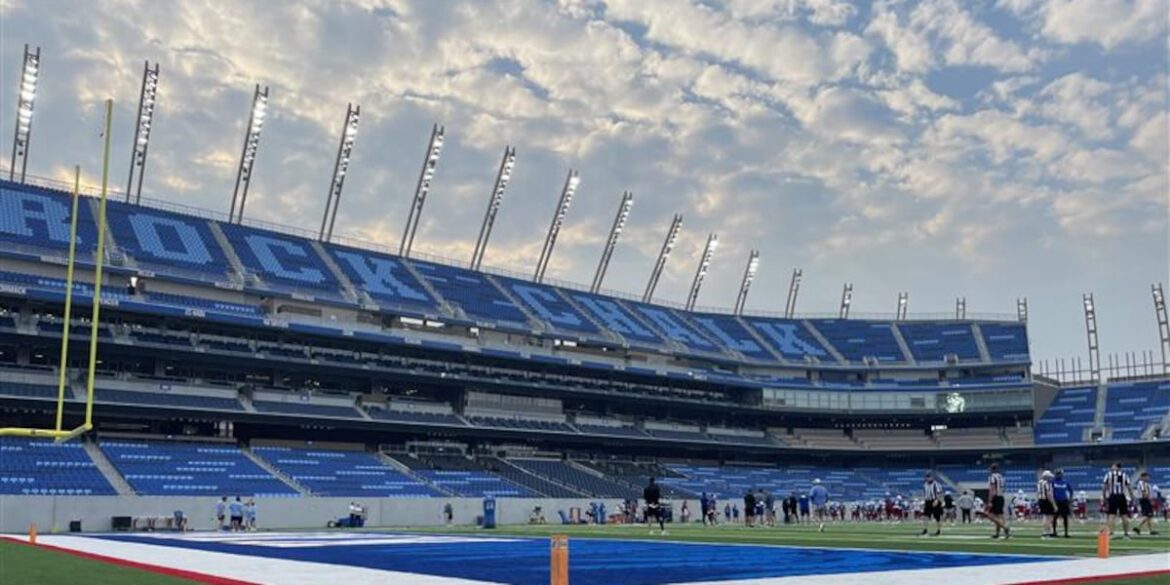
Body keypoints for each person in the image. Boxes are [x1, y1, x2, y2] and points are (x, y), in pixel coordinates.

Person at [1102, 462, 1134, 539]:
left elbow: (1105, 487)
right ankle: (1126, 534)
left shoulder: (1108, 475)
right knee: (1124, 515)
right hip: (1122, 496)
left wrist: (1104, 496)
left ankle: (1111, 533)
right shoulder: (1125, 475)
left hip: (1113, 496)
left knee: (1112, 515)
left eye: (1113, 466)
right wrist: (1132, 496)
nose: (1112, 467)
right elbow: (1129, 487)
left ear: (1117, 467)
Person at [986, 464, 1011, 539]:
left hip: (996, 497)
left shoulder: (992, 477)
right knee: (999, 516)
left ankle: (1005, 527)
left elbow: (992, 489)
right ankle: (998, 533)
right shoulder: (1001, 477)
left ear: (992, 469)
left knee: (990, 515)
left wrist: (990, 500)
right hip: (1001, 496)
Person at [1134, 471, 1159, 536]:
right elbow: (1144, 493)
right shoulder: (1142, 483)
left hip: (1144, 500)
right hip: (1145, 500)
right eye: (1147, 476)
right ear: (1143, 477)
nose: (1148, 478)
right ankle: (1138, 527)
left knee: (1148, 516)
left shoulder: (1145, 483)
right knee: (1148, 515)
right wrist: (1149, 499)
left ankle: (1150, 530)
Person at [1051, 469, 1073, 538]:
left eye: (1060, 474)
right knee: (1055, 517)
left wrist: (1070, 499)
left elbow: (1071, 490)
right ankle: (1054, 532)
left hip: (1064, 501)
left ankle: (1066, 532)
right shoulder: (1053, 482)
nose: (1059, 475)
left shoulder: (1065, 482)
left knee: (1065, 517)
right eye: (1058, 474)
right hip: (1056, 501)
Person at [1037, 470, 1057, 538]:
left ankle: (1046, 531)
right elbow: (1049, 494)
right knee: (1049, 517)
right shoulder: (1047, 483)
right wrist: (1054, 504)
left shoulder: (1039, 483)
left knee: (1045, 516)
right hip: (1046, 501)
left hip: (1041, 500)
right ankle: (1047, 532)